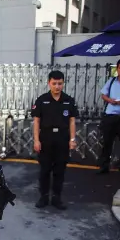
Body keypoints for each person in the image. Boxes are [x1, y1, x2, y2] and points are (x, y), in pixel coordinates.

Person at [32, 70, 78, 210]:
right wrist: (36, 140)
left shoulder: (68, 100)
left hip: (62, 139)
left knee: (60, 170)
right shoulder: (42, 100)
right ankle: (44, 197)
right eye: (54, 83)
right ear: (49, 83)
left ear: (63, 83)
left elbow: (72, 121)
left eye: (60, 83)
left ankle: (57, 198)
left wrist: (72, 139)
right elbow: (37, 122)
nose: (57, 86)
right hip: (46, 138)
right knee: (45, 170)